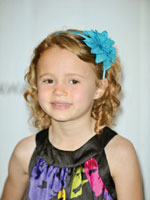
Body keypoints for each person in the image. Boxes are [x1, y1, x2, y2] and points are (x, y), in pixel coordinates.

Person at [1, 29, 143, 200]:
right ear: (36, 84)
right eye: (49, 80)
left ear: (99, 88)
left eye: (73, 81)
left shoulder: (119, 153)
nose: (59, 91)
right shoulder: (25, 153)